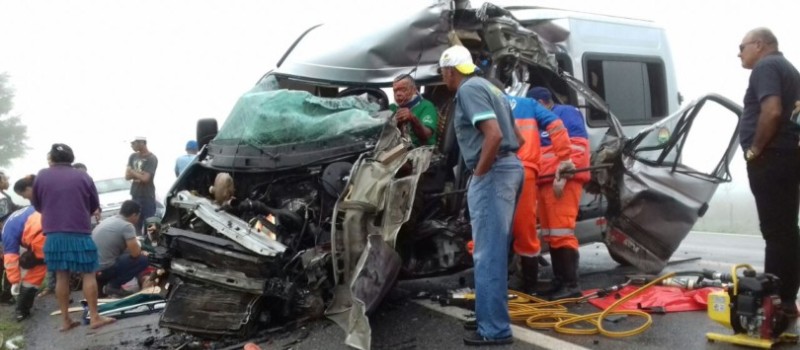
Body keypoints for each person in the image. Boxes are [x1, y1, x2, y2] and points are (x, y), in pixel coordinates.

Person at [439, 45, 523, 346]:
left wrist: (481, 173)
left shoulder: (468, 89)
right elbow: (519, 137)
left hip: (494, 171)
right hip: (511, 167)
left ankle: (494, 330)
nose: (443, 77)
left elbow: (494, 135)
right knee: (494, 252)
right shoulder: (491, 87)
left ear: (450, 71)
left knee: (487, 255)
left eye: (443, 72)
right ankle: (489, 317)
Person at [737, 28, 800, 316]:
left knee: (775, 232)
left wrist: (755, 150)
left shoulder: (767, 66)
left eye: (742, 47)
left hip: (772, 159)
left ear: (759, 45)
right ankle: (787, 300)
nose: (739, 53)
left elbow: (772, 111)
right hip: (788, 156)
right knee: (787, 231)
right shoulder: (788, 68)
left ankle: (773, 304)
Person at [32, 143, 116, 331]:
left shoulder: (42, 176)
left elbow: (37, 204)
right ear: (71, 158)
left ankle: (66, 320)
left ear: (51, 159)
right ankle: (95, 317)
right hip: (79, 231)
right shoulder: (83, 176)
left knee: (62, 275)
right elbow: (93, 204)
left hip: (54, 234)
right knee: (89, 273)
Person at [502, 91, 572, 295]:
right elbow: (556, 124)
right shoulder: (528, 104)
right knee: (525, 227)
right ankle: (529, 285)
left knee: (493, 227)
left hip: (499, 170)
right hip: (526, 171)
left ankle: (498, 283)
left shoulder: (484, 100)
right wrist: (564, 156)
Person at [528, 86, 590, 300]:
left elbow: (578, 149)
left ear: (543, 102)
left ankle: (571, 284)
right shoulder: (538, 122)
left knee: (562, 233)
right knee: (552, 234)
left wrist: (562, 176)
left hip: (562, 183)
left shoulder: (567, 113)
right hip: (544, 183)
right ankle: (560, 281)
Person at [2, 175, 46, 321]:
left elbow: (10, 259)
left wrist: (14, 281)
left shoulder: (6, 231)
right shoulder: (19, 213)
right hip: (53, 222)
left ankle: (22, 310)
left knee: (36, 269)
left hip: (40, 234)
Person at [93, 200, 149, 297]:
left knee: (121, 256)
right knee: (143, 260)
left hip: (92, 267)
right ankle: (114, 286)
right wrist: (143, 251)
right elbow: (135, 253)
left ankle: (104, 287)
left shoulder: (110, 219)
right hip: (105, 268)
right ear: (134, 215)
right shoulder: (127, 226)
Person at [389, 74, 439, 147]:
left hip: (421, 151)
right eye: (395, 91)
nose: (398, 94)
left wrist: (412, 119)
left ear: (414, 90)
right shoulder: (392, 108)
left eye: (403, 89)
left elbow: (426, 135)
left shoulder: (426, 106)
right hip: (398, 149)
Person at [125, 136, 158, 235]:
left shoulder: (151, 158)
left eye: (133, 143)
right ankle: (139, 246)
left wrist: (132, 172)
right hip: (135, 194)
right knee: (135, 223)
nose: (131, 146)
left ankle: (152, 246)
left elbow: (145, 179)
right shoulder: (132, 156)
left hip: (147, 195)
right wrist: (139, 174)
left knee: (150, 223)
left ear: (142, 143)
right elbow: (127, 176)